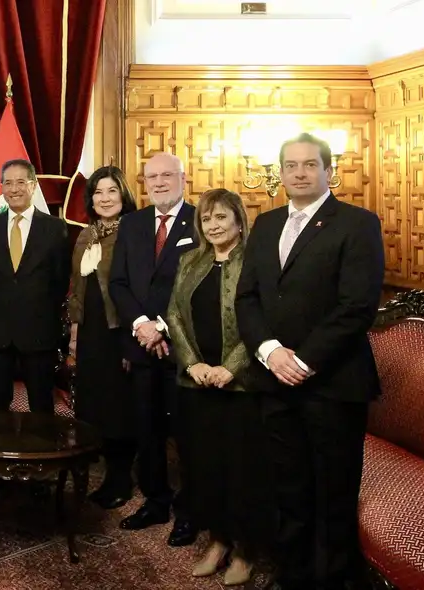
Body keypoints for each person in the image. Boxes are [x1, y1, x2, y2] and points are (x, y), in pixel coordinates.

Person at [235, 132, 385, 590]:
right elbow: (248, 299)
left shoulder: (357, 223)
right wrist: (270, 353)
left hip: (333, 384)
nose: (299, 173)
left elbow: (357, 306)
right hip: (274, 381)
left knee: (334, 492)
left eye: (309, 165)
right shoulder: (265, 224)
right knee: (289, 487)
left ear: (327, 170)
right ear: (280, 173)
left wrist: (304, 360)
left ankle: (334, 580)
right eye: (291, 166)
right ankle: (293, 574)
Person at [165, 188, 263, 586]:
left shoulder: (256, 262)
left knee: (242, 471)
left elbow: (263, 320)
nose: (214, 225)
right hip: (197, 384)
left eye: (221, 217)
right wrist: (194, 364)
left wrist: (231, 367)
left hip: (240, 388)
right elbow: (173, 312)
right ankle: (219, 540)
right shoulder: (190, 260)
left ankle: (245, 550)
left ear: (239, 220)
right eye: (207, 219)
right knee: (204, 468)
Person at [108, 152, 198, 546]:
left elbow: (198, 285)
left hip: (184, 349)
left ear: (183, 177)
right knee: (147, 430)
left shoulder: (201, 219)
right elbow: (118, 283)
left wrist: (161, 325)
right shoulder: (132, 223)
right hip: (142, 346)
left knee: (187, 435)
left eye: (167, 175)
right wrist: (141, 325)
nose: (159, 182)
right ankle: (156, 501)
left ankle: (191, 512)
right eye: (152, 177)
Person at [67, 166, 138, 510]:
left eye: (112, 191)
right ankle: (106, 472)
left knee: (119, 408)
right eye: (98, 192)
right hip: (91, 331)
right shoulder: (86, 235)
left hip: (120, 332)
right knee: (94, 404)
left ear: (123, 195)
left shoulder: (134, 232)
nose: (105, 198)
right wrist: (75, 333)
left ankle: (121, 478)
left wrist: (130, 339)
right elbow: (78, 288)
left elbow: (135, 290)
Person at [0, 158, 71, 415]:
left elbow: (60, 280)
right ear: (1, 188)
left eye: (21, 182)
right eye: (8, 183)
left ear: (33, 185)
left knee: (41, 405)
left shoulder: (54, 227)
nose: (14, 188)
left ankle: (42, 455)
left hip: (39, 331)